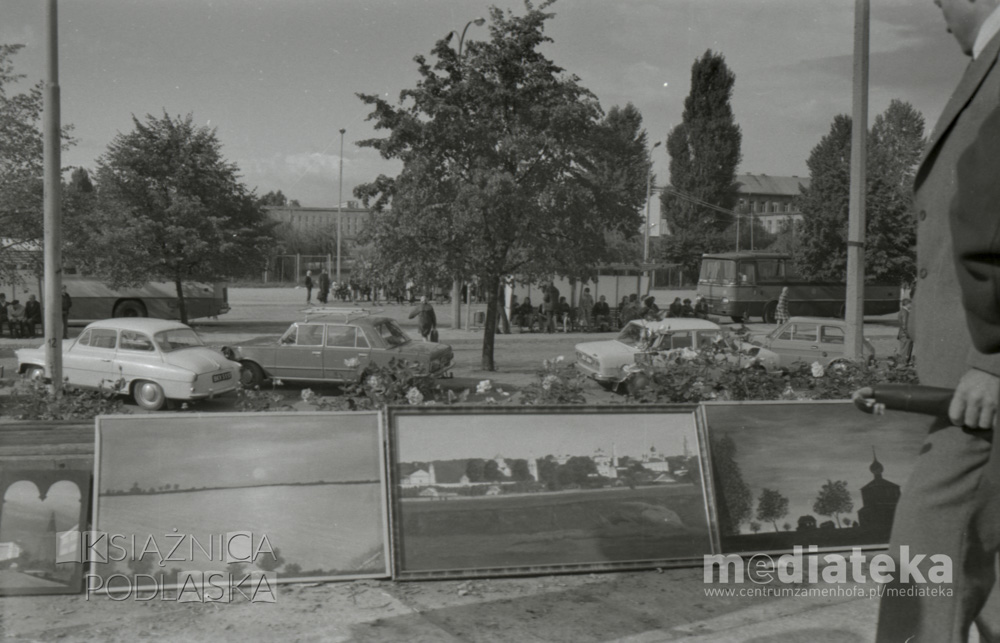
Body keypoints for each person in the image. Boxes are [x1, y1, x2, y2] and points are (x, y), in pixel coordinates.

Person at [874, 3, 1000, 640]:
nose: (938, 12)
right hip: (970, 378)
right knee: (980, 568)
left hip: (979, 386)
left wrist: (993, 360)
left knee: (924, 554)